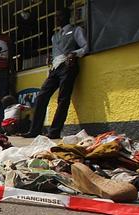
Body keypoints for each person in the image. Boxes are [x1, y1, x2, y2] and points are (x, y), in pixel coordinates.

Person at [23, 8, 88, 139]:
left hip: (68, 66)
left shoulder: (76, 30)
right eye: (56, 16)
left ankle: (54, 131)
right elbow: (57, 52)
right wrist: (51, 58)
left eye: (59, 16)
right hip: (55, 68)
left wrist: (74, 53)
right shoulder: (55, 36)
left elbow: (86, 46)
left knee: (63, 99)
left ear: (67, 17)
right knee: (42, 96)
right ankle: (35, 130)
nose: (56, 19)